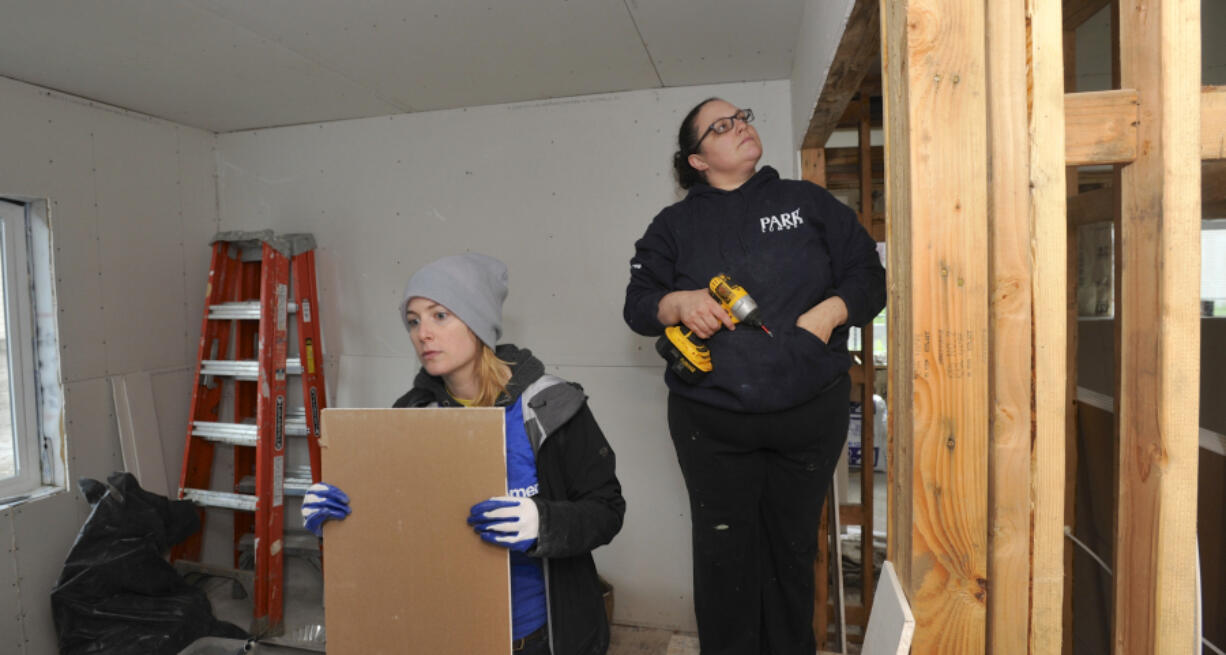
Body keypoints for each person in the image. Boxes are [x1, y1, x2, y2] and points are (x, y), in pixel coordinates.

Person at [622, 98, 886, 654]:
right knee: (723, 555)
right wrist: (679, 303)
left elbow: (869, 276)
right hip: (711, 424)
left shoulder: (806, 202)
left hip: (809, 415)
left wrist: (828, 312)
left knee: (791, 550)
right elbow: (638, 304)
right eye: (722, 126)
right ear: (697, 160)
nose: (741, 126)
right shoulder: (674, 226)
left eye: (742, 116)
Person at [304, 253, 625, 655]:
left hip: (539, 636)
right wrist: (340, 523)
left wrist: (544, 522)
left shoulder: (551, 406)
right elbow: (401, 523)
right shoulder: (413, 413)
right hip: (446, 628)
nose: (423, 333)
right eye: (413, 320)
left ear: (477, 320)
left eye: (440, 315)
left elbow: (607, 511)